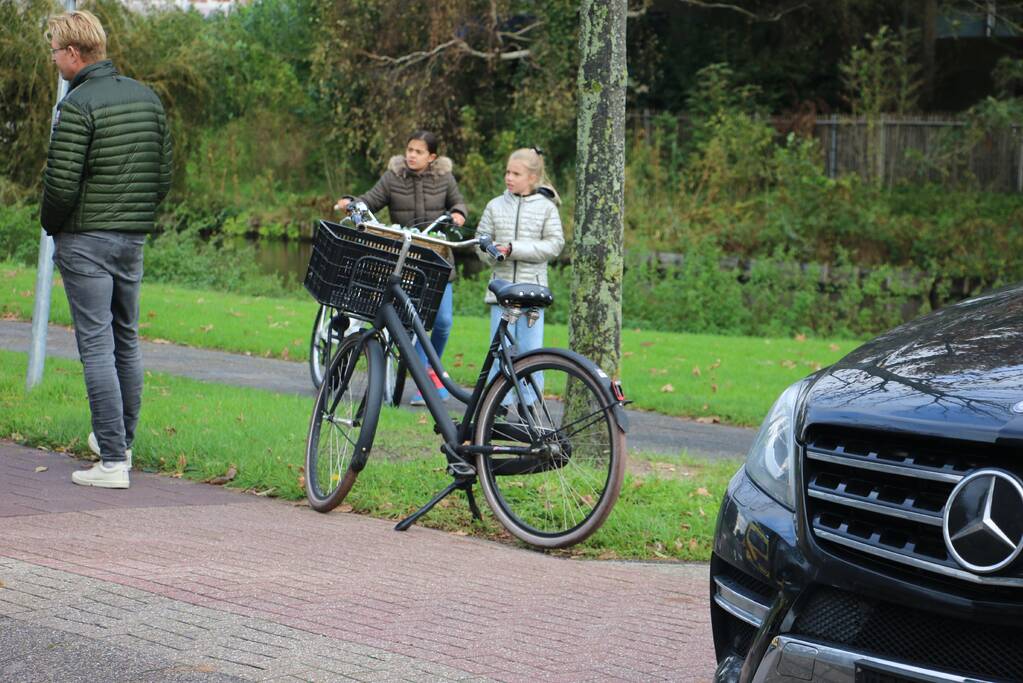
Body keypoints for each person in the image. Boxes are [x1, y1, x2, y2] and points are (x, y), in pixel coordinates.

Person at [41, 10, 172, 489]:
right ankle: (121, 443)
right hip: (131, 238)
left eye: (56, 51)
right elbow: (163, 176)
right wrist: (134, 218)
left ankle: (113, 462)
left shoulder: (76, 105)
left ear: (74, 54)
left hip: (85, 239)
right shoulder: (146, 97)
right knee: (125, 338)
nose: (54, 60)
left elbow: (60, 184)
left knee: (95, 344)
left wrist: (53, 227)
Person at [336, 131, 467, 405]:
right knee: (406, 324)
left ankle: (426, 370)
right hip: (404, 261)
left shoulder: (444, 178)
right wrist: (352, 203)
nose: (411, 155)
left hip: (437, 259)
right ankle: (422, 380)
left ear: (432, 157)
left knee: (442, 323)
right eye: (409, 149)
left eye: (419, 152)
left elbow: (458, 203)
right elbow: (370, 199)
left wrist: (458, 214)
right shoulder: (393, 177)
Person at [476, 147, 564, 380]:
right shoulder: (494, 205)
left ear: (532, 178)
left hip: (533, 294)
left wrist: (514, 249)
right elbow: (479, 243)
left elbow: (555, 245)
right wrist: (492, 252)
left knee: (531, 355)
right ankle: (498, 407)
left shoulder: (547, 208)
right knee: (499, 353)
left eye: (516, 174)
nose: (509, 178)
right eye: (507, 172)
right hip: (501, 291)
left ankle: (530, 407)